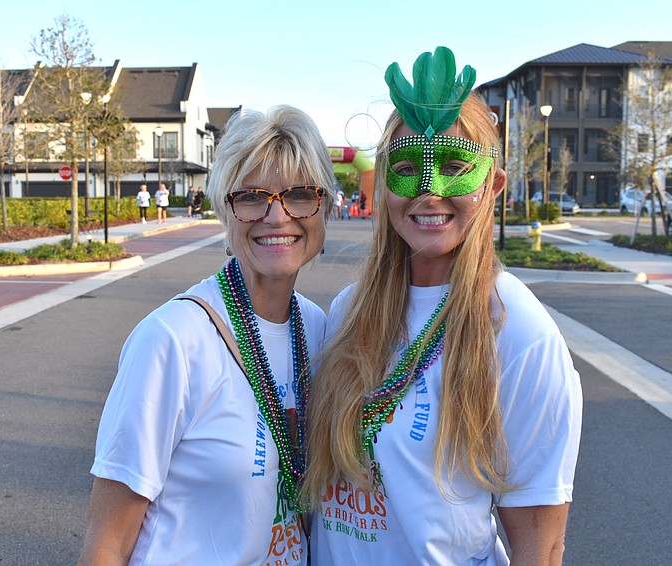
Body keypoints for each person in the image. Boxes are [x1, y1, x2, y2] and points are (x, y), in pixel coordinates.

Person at [302, 47, 582, 565]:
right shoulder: (347, 312)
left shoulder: (519, 333)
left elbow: (540, 548)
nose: (430, 191)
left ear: (492, 185)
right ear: (384, 185)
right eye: (409, 168)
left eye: (455, 167)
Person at [77, 105, 336, 565]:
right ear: (224, 207)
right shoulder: (172, 340)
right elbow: (107, 546)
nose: (277, 217)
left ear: (324, 206)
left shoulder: (317, 329)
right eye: (252, 197)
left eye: (298, 194)